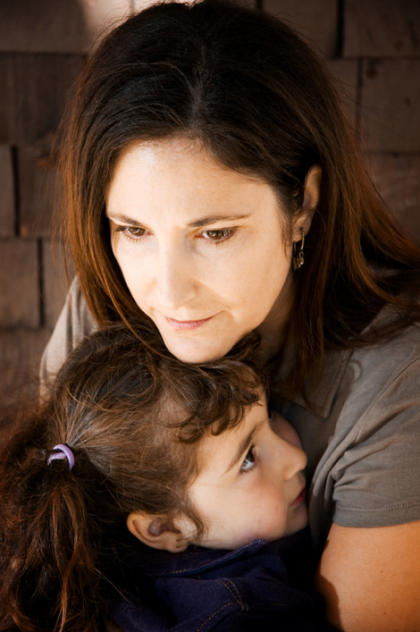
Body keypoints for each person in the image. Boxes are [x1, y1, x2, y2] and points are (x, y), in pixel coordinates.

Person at [40, 0, 420, 629]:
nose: (167, 292)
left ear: (303, 206)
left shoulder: (397, 384)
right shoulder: (110, 299)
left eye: (214, 234)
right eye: (133, 229)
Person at [0, 323, 336, 631]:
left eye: (272, 415)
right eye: (247, 459)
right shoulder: (248, 617)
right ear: (165, 528)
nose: (296, 457)